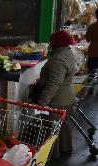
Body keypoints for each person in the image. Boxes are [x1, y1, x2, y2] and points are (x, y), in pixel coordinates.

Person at [36, 30, 76, 158]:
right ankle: (66, 148)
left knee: (52, 127)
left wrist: (42, 103)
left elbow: (54, 84)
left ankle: (52, 154)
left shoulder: (58, 59)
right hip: (68, 96)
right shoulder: (68, 52)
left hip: (58, 99)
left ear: (56, 43)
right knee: (63, 124)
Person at [86, 8, 98, 73]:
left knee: (92, 74)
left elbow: (88, 39)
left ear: (96, 15)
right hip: (93, 53)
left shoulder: (92, 26)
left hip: (93, 53)